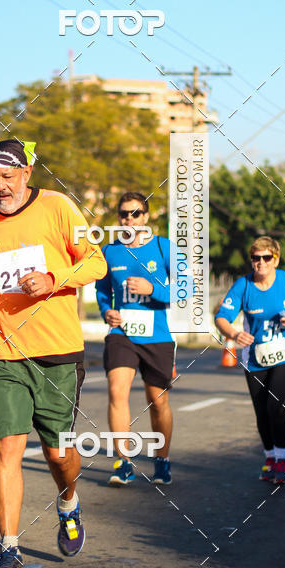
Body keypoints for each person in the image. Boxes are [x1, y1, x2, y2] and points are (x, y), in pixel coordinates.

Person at [0, 138, 107, 568]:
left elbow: (96, 263)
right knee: (8, 446)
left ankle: (67, 501)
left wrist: (54, 279)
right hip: (2, 350)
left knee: (58, 452)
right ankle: (8, 550)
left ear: (27, 173)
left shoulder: (58, 208)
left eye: (7, 176)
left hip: (57, 353)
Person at [95, 192, 175, 486]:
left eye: (136, 213)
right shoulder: (110, 251)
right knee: (117, 391)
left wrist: (152, 289)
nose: (129, 219)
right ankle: (123, 462)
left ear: (147, 216)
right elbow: (102, 290)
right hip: (122, 333)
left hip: (157, 334)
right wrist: (107, 312)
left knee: (157, 401)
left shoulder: (163, 247)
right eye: (124, 214)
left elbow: (185, 291)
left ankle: (162, 461)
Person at [215, 236, 285, 484]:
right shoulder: (243, 286)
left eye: (266, 257)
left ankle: (283, 459)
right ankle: (269, 457)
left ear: (275, 259)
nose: (260, 262)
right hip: (255, 358)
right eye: (256, 258)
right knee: (261, 412)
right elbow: (222, 317)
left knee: (276, 406)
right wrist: (234, 333)